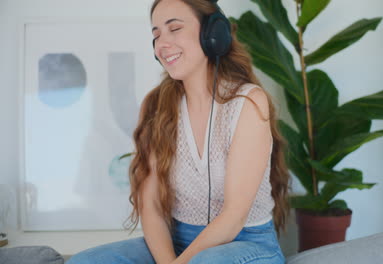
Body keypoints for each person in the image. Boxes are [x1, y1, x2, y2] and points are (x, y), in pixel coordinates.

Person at [67, 0, 290, 263]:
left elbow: (233, 217)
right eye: (156, 34)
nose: (162, 44)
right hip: (177, 241)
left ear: (212, 34)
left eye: (174, 29)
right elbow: (151, 208)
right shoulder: (156, 106)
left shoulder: (248, 103)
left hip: (246, 242)